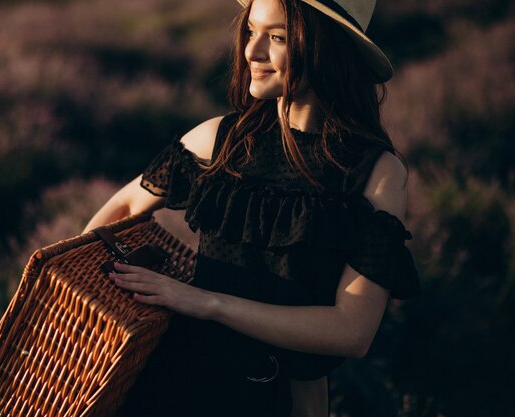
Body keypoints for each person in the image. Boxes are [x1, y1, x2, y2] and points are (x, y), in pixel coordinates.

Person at [82, 0, 420, 415]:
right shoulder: (220, 140)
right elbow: (126, 204)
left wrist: (208, 302)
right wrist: (83, 307)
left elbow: (351, 331)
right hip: (177, 386)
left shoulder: (375, 173)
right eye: (250, 31)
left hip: (283, 401)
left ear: (324, 46)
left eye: (276, 37)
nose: (251, 51)